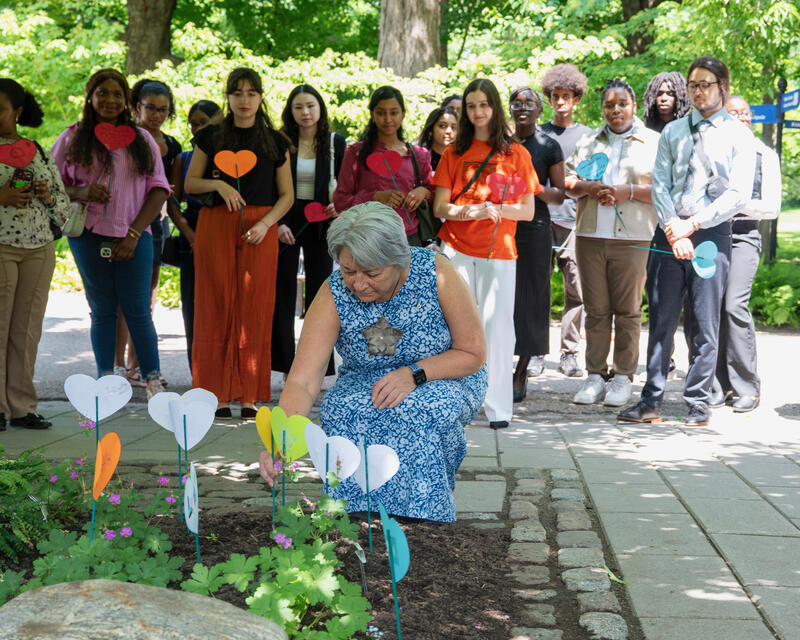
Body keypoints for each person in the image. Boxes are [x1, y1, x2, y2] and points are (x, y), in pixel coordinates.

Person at [258, 203, 487, 521]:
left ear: (399, 260)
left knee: (419, 407)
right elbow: (303, 379)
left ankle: (423, 515)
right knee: (341, 407)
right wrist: (282, 440)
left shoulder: (437, 272)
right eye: (349, 270)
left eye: (372, 273)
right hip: (364, 375)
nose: (358, 283)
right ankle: (352, 515)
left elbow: (472, 353)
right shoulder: (334, 290)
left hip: (444, 373)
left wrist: (414, 374)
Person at [619, 56, 756, 426]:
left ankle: (697, 401)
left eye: (706, 84)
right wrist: (672, 227)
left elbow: (738, 194)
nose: (698, 91)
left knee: (705, 322)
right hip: (668, 232)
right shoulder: (674, 132)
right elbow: (660, 184)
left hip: (710, 233)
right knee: (661, 319)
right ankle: (651, 401)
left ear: (722, 86)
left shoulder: (739, 136)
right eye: (693, 85)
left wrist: (692, 224)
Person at [52, 68, 169, 398]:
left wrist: (133, 235)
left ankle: (153, 380)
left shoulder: (142, 140)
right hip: (88, 236)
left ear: (127, 101)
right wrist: (82, 192)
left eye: (118, 94)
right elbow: (51, 183)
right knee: (102, 309)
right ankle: (105, 379)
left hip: (135, 237)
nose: (110, 100)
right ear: (90, 96)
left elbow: (159, 190)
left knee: (137, 310)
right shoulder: (72, 138)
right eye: (103, 92)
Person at [185, 67, 293, 419]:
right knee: (215, 303)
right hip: (216, 224)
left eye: (251, 93)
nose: (244, 99)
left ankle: (249, 395)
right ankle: (215, 395)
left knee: (255, 307)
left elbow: (288, 196)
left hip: (260, 228)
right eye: (237, 93)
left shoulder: (275, 141)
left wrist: (266, 225)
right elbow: (190, 184)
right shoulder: (211, 136)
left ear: (260, 97)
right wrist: (219, 186)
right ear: (228, 97)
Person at [432, 78, 540, 429]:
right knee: (456, 329)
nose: (478, 112)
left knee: (498, 329)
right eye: (472, 106)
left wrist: (495, 209)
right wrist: (471, 212)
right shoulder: (454, 152)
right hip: (457, 249)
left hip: (500, 251)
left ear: (495, 107)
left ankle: (498, 409)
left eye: (484, 105)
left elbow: (527, 211)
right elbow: (439, 207)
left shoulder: (516, 153)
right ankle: (456, 405)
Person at [564, 79, 660, 408]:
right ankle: (594, 375)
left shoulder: (653, 142)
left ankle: (623, 377)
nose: (615, 110)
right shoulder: (589, 140)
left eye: (622, 104)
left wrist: (627, 191)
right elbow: (568, 180)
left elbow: (664, 189)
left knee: (628, 310)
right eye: (608, 105)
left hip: (634, 237)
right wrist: (590, 188)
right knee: (596, 309)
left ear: (633, 106)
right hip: (591, 235)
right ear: (602, 108)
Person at [0, 79, 70, 430]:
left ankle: (21, 407)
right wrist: (2, 197)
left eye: (0, 109)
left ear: (17, 112)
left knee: (26, 331)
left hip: (39, 248)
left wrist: (45, 192)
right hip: (1, 247)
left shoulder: (37, 150)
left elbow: (63, 203)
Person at [708, 95, 781, 412]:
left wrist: (734, 203)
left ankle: (747, 386)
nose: (739, 117)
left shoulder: (764, 155)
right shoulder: (714, 152)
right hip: (711, 235)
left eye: (744, 112)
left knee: (735, 305)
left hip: (744, 235)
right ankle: (716, 384)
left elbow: (772, 208)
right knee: (709, 308)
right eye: (731, 112)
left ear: (751, 118)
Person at [272, 84, 346, 377]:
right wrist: (278, 223)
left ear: (321, 109)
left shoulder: (334, 142)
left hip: (321, 225)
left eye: (311, 106)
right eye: (299, 107)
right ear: (291, 111)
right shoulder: (280, 142)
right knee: (283, 294)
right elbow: (270, 185)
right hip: (287, 221)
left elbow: (346, 185)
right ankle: (285, 366)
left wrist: (337, 205)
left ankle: (317, 367)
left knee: (320, 296)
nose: (305, 112)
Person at [115, 78, 182, 387]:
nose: (157, 115)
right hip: (124, 222)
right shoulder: (125, 138)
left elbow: (173, 191)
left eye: (163, 110)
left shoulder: (173, 145)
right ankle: (117, 366)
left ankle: (139, 365)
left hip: (158, 224)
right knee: (120, 298)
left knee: (146, 297)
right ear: (136, 107)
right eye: (150, 108)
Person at [508, 87, 565, 402]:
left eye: (528, 103)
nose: (522, 108)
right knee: (505, 297)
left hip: (536, 227)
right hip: (501, 224)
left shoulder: (548, 146)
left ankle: (522, 369)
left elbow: (559, 195)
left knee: (533, 297)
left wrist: (533, 187)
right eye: (516, 103)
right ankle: (499, 364)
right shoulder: (502, 144)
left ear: (539, 109)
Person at [540, 64, 591, 379]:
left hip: (576, 223)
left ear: (576, 99)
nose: (561, 102)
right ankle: (533, 353)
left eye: (566, 96)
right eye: (555, 96)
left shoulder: (587, 136)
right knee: (538, 289)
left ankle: (570, 353)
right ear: (549, 98)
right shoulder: (539, 133)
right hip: (541, 221)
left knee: (577, 291)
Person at [333, 86, 432, 246]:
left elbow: (433, 191)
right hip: (367, 237)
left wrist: (423, 191)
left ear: (403, 114)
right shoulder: (356, 153)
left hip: (409, 237)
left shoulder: (419, 155)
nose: (387, 119)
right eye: (381, 113)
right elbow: (340, 202)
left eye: (393, 112)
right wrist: (375, 197)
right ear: (372, 114)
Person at [169, 99, 221, 371]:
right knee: (193, 306)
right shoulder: (184, 158)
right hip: (193, 234)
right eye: (194, 123)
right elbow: (173, 201)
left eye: (205, 123)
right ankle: (198, 370)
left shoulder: (229, 156)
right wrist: (189, 233)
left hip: (224, 234)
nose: (198, 128)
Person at [418, 105, 457, 170]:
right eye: (442, 126)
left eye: (453, 127)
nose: (449, 131)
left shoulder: (462, 160)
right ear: (430, 130)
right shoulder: (419, 158)